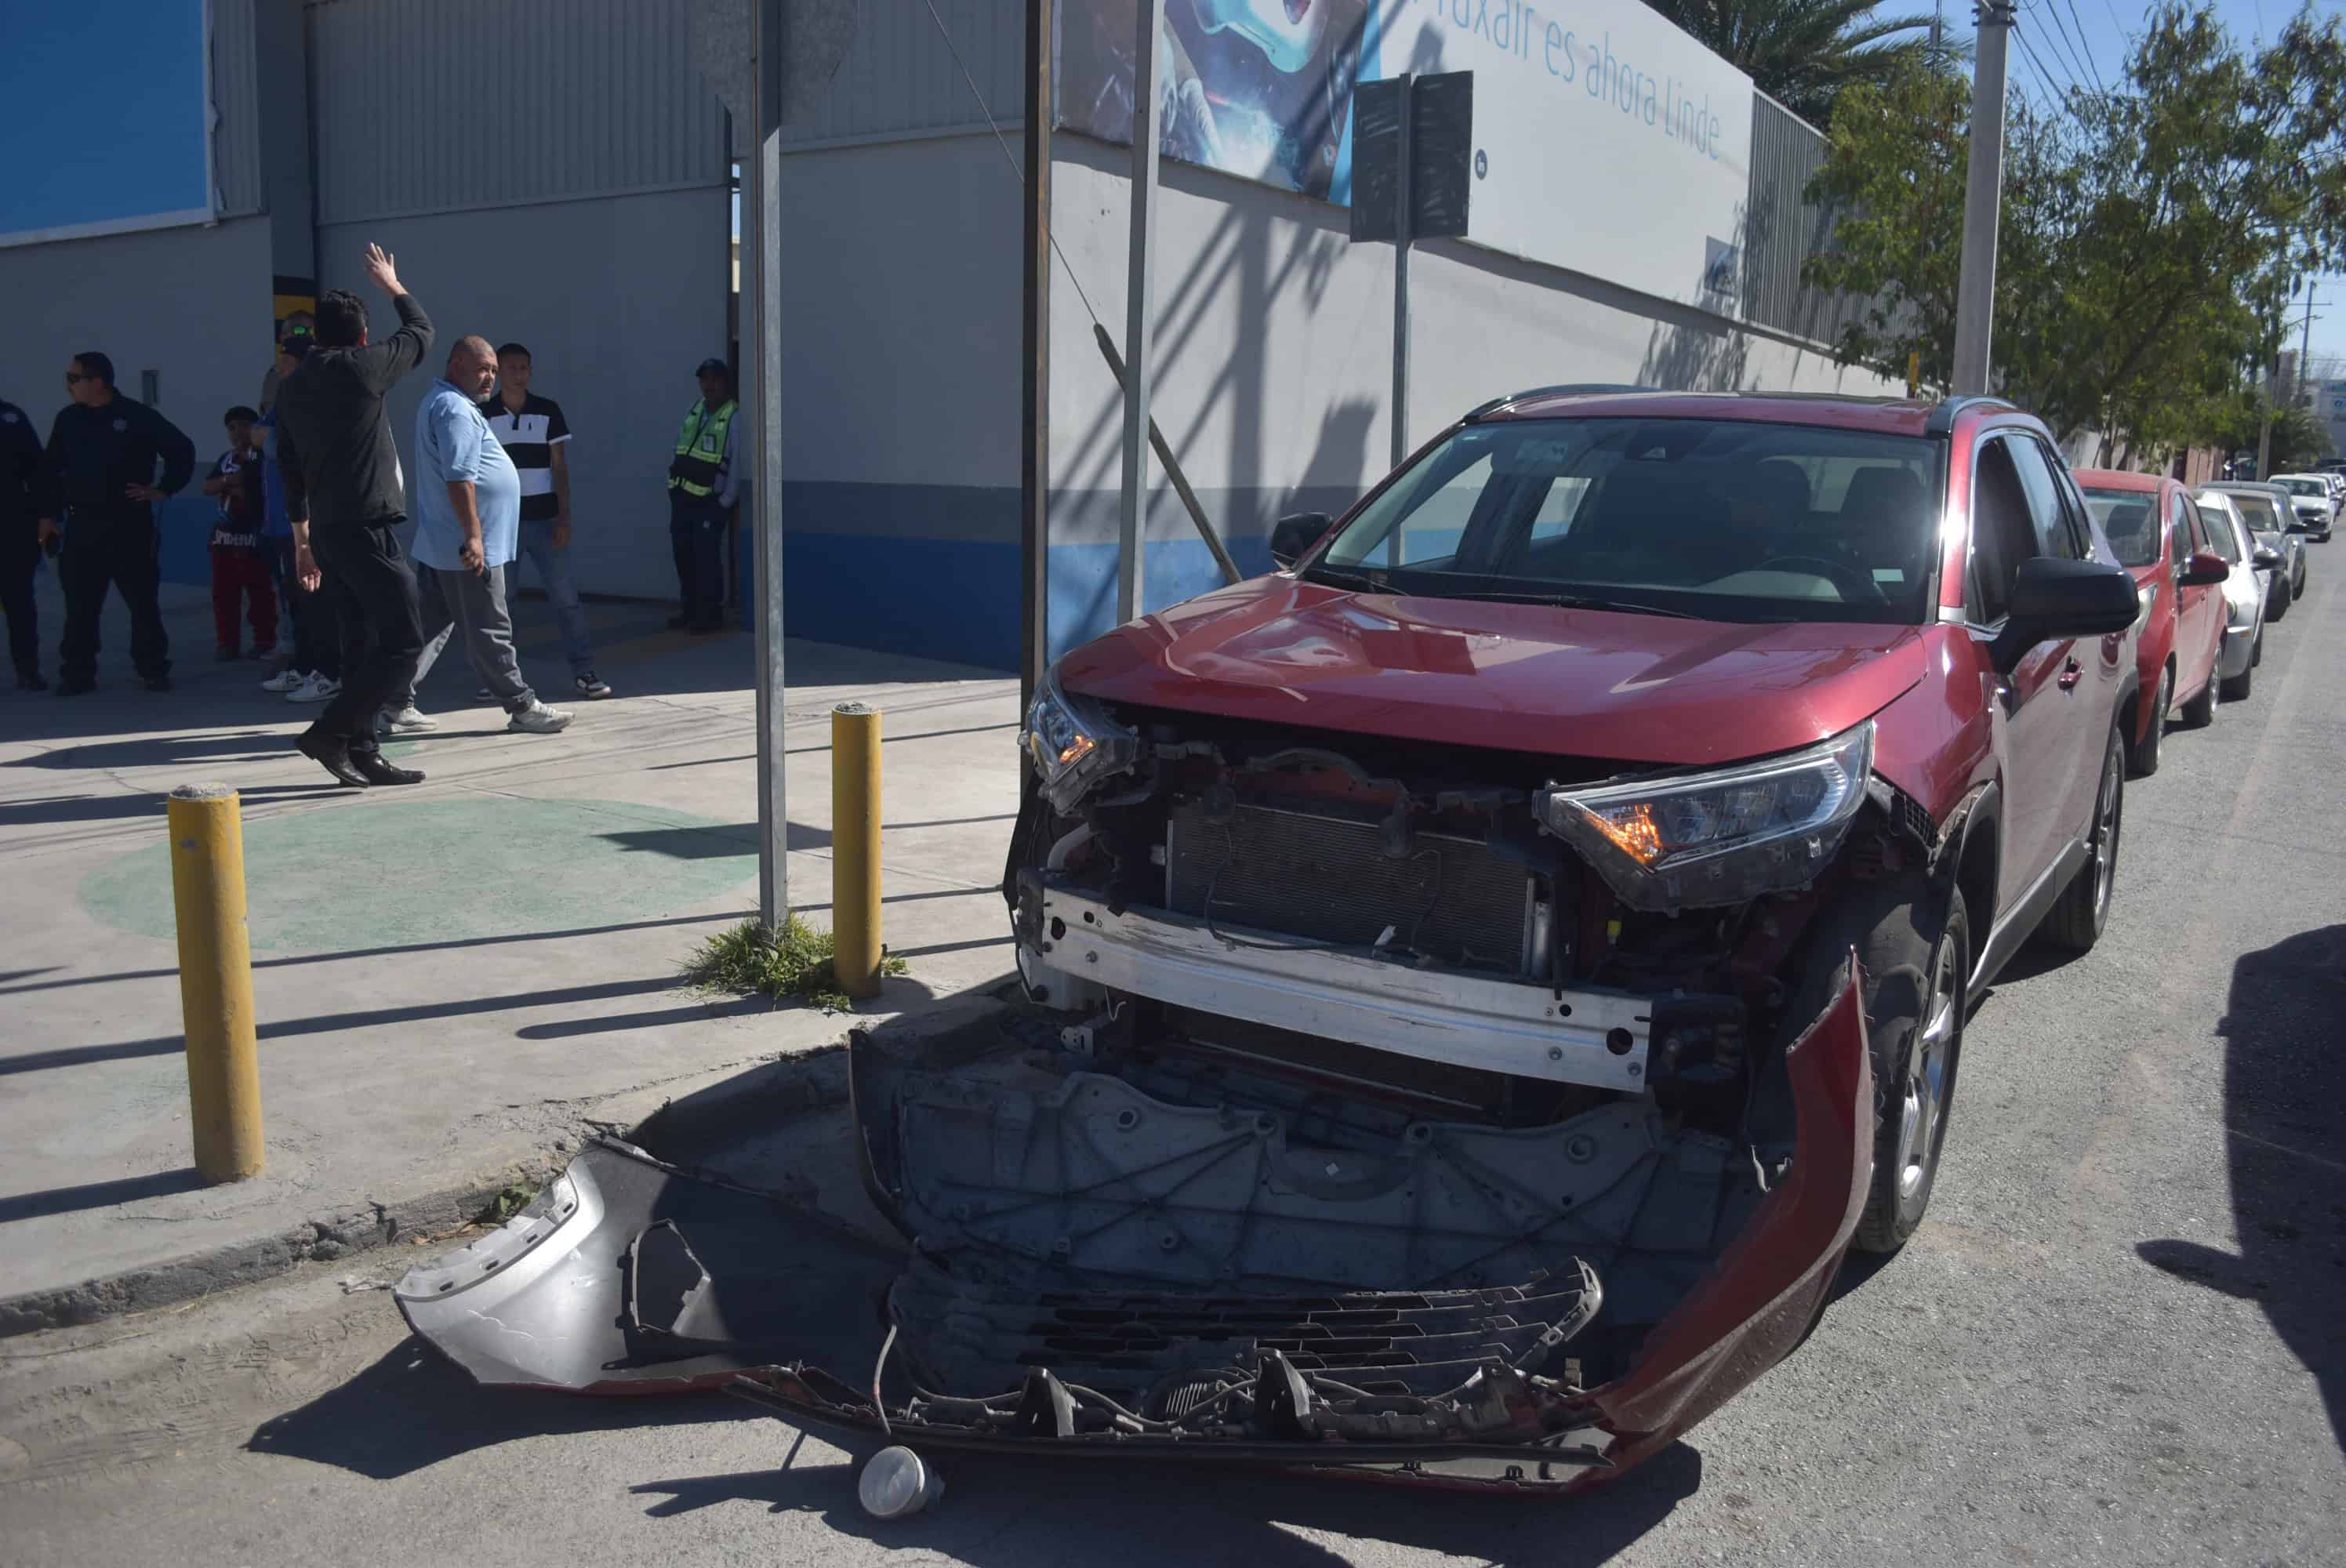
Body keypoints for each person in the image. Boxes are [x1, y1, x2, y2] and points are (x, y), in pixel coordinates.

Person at [273, 243, 434, 788]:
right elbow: (421, 333)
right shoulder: (365, 368)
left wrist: (302, 541)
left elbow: (289, 470)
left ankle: (364, 751)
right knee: (406, 639)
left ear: (316, 337)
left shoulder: (291, 388)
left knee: (362, 642)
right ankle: (331, 732)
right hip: (367, 529)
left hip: (328, 534)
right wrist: (393, 284)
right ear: (363, 336)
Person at [383, 335, 571, 739]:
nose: (490, 377)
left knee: (430, 626)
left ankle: (394, 703)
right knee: (490, 627)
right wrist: (475, 537)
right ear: (455, 366)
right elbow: (460, 478)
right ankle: (521, 705)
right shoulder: (455, 411)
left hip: (443, 543)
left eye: (492, 370)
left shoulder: (444, 402)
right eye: (482, 369)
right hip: (466, 547)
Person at [38, 351, 195, 695]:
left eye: (73, 378)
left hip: (129, 525)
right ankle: (77, 674)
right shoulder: (68, 420)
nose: (68, 385)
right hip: (82, 526)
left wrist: (163, 489)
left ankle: (153, 668)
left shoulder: (136, 416)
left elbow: (182, 450)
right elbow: (51, 471)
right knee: (80, 606)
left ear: (97, 382)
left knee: (142, 603)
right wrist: (49, 516)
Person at [485, 342, 608, 699]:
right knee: (500, 606)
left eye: (525, 367)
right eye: (511, 367)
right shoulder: (484, 414)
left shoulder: (548, 411)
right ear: (498, 371)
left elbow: (560, 468)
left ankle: (584, 671)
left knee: (566, 599)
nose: (519, 374)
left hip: (544, 521)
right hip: (501, 526)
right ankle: (498, 680)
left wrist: (564, 517)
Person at [256, 340, 344, 700]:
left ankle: (329, 672)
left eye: (285, 362)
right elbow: (259, 436)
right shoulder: (285, 403)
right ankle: (303, 666)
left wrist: (267, 437)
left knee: (318, 602)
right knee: (296, 602)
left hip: (310, 525)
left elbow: (274, 442)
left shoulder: (316, 405)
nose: (279, 370)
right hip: (280, 523)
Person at [198, 405, 277, 662]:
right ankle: (227, 642)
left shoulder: (263, 458)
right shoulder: (226, 459)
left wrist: (241, 484)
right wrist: (227, 482)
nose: (237, 432)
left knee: (260, 591)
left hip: (254, 534)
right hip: (224, 536)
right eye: (231, 428)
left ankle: (265, 639)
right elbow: (207, 487)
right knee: (224, 593)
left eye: (243, 425)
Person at [667, 358, 739, 633]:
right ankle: (690, 610)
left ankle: (710, 616)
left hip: (710, 502)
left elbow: (737, 464)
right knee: (683, 555)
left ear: (725, 382)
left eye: (714, 379)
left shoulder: (733, 416)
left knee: (706, 559)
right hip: (683, 497)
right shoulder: (695, 409)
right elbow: (680, 447)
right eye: (704, 379)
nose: (708, 385)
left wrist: (725, 502)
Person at [2, 394, 51, 690]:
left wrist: (45, 514)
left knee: (19, 600)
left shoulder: (11, 418)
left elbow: (38, 469)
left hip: (11, 526)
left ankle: (27, 669)